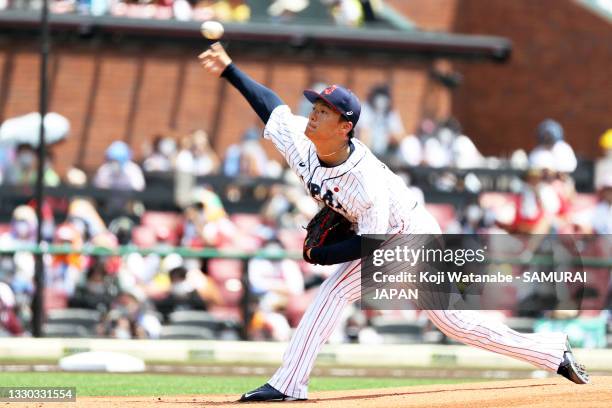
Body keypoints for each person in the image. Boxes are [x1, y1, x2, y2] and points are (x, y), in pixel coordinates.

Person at [198, 42, 589, 402]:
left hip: (404, 236)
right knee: (456, 324)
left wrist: (322, 255)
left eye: (321, 112)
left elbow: (374, 243)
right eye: (314, 108)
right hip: (399, 231)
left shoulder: (363, 180)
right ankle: (553, 352)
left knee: (334, 294)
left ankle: (288, 384)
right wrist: (230, 69)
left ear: (344, 127)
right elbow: (271, 106)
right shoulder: (303, 144)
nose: (311, 116)